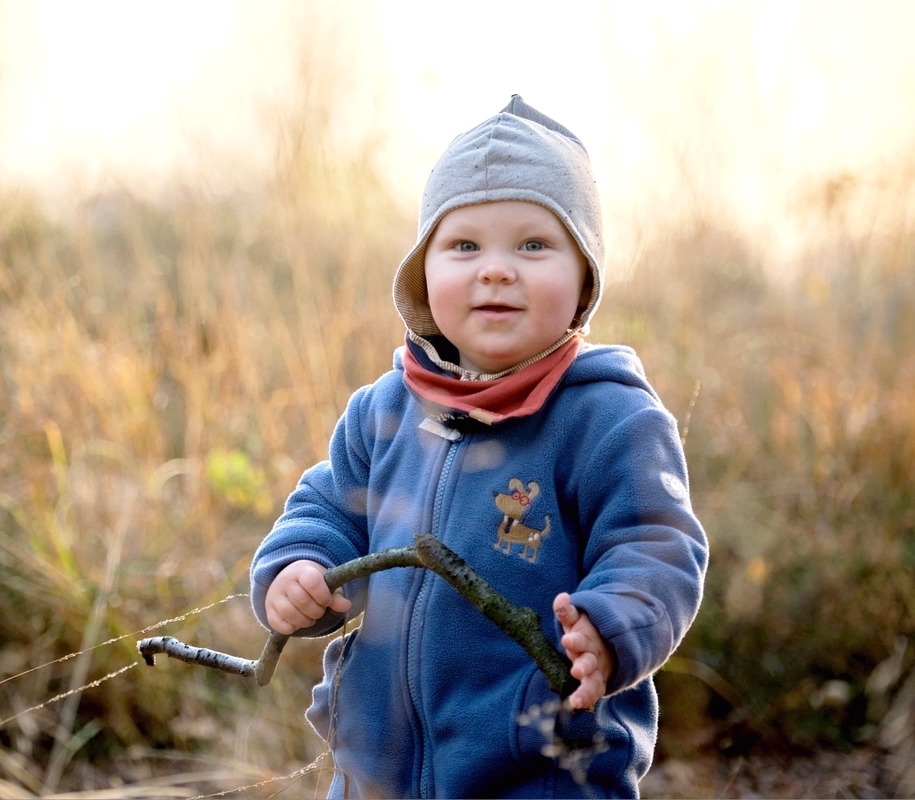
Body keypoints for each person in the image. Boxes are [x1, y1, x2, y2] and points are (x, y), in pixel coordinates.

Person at [249, 95, 708, 798]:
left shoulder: (609, 418)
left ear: (584, 278)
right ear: (423, 277)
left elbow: (657, 545)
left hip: (542, 774)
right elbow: (329, 506)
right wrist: (300, 568)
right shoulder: (386, 410)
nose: (496, 269)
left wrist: (610, 627)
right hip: (377, 774)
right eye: (464, 246)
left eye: (533, 245)